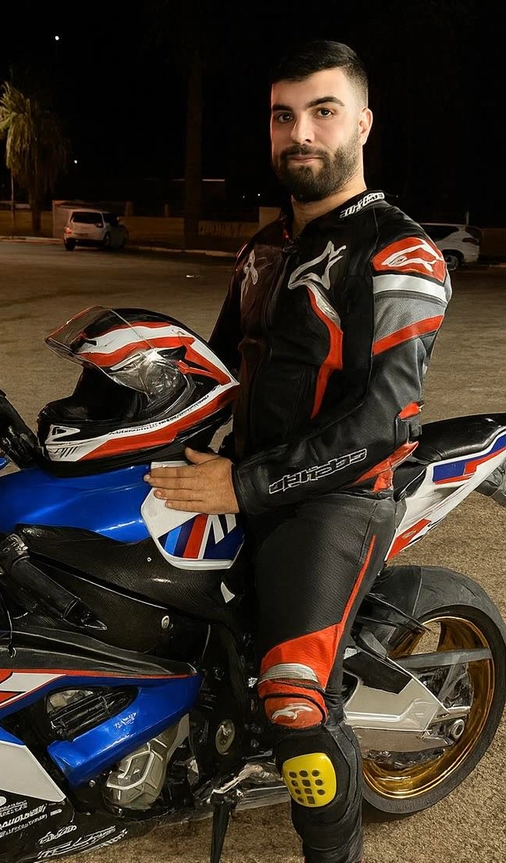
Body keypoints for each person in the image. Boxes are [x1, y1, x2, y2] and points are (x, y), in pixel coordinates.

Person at [145, 39, 451, 863]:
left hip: (338, 498)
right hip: (242, 477)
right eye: (284, 116)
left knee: (294, 702)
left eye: (322, 112)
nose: (301, 133)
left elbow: (382, 420)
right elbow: (210, 373)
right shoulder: (262, 250)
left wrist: (243, 484)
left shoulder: (401, 252)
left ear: (363, 123)